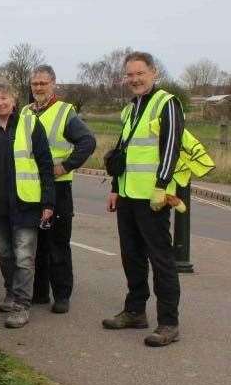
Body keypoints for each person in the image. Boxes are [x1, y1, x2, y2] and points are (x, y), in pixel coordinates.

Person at [103, 51, 184, 347]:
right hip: (127, 194)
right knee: (132, 256)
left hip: (153, 197)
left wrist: (161, 186)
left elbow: (171, 148)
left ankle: (168, 323)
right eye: (130, 75)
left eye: (140, 73)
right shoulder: (130, 109)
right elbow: (123, 153)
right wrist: (114, 186)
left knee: (161, 259)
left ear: (153, 73)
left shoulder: (167, 104)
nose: (135, 79)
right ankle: (135, 311)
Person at [0, 78, 55, 328]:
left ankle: (22, 304)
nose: (0, 102)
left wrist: (48, 201)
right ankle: (11, 293)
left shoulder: (30, 124)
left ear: (14, 99)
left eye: (4, 97)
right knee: (5, 255)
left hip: (25, 204)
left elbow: (45, 165)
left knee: (23, 257)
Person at [24, 65, 96, 314]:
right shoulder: (25, 112)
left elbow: (87, 142)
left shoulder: (64, 112)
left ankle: (62, 295)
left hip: (58, 188)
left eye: (43, 83)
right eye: (35, 84)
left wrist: (65, 166)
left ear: (53, 84)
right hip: (32, 188)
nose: (39, 88)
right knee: (37, 243)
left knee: (57, 243)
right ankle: (39, 292)